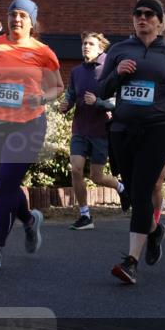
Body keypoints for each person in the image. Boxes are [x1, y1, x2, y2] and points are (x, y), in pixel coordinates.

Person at [0, 0, 62, 269]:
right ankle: (30, 221)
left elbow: (57, 87)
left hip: (28, 124)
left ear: (32, 22)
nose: (16, 19)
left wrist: (42, 99)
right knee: (3, 182)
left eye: (22, 15)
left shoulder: (43, 52)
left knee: (6, 182)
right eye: (12, 14)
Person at [100, 0, 165, 284]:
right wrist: (117, 74)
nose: (143, 18)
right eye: (138, 13)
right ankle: (155, 230)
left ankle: (131, 262)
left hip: (158, 127)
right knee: (134, 191)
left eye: (150, 14)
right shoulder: (119, 50)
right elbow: (102, 88)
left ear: (160, 22)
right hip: (123, 128)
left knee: (143, 189)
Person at [59, 31, 127, 230]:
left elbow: (117, 101)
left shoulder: (109, 69)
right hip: (80, 128)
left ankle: (121, 187)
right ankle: (85, 215)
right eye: (84, 44)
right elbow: (72, 93)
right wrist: (66, 105)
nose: (86, 47)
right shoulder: (76, 71)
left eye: (90, 44)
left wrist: (98, 102)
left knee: (96, 176)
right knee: (76, 169)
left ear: (100, 48)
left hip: (101, 131)